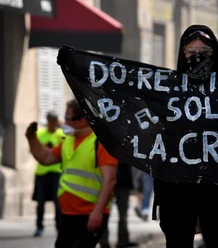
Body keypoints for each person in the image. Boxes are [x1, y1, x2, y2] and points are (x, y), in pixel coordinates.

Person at [152, 25, 218, 248]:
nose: (196, 57)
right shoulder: (167, 91)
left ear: (215, 54)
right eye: (191, 52)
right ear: (182, 55)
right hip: (177, 187)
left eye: (203, 52)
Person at [25, 99, 118, 248]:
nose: (64, 122)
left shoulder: (100, 142)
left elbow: (110, 180)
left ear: (81, 120)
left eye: (68, 118)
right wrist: (32, 139)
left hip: (89, 214)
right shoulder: (68, 140)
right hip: (68, 214)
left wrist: (98, 212)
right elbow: (46, 158)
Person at [31, 111, 65, 237]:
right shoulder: (40, 133)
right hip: (42, 172)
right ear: (47, 120)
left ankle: (59, 227)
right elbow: (34, 150)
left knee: (58, 203)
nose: (52, 124)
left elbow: (64, 150)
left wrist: (50, 150)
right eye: (50, 121)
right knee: (40, 202)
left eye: (54, 121)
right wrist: (45, 149)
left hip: (56, 172)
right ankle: (39, 226)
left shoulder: (61, 134)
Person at [99, 162, 139, 248]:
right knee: (106, 214)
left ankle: (121, 240)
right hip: (110, 182)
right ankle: (106, 241)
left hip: (121, 183)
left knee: (122, 214)